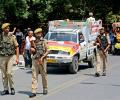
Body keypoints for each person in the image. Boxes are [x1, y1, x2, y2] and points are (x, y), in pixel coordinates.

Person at [29, 28, 49, 98]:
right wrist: (31, 50)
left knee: (44, 75)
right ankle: (34, 91)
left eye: (39, 33)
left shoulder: (44, 41)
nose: (38, 34)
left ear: (41, 33)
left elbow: (48, 51)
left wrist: (42, 57)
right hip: (35, 60)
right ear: (35, 34)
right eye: (37, 33)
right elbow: (31, 52)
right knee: (34, 76)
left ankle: (45, 88)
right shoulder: (33, 42)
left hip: (42, 60)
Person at [0, 23, 19, 95]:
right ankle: (6, 89)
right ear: (3, 29)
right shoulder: (0, 37)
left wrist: (17, 58)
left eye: (8, 28)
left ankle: (12, 88)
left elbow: (17, 47)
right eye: (6, 28)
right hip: (2, 57)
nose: (7, 29)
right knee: (4, 74)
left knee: (9, 73)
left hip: (10, 57)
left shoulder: (12, 37)